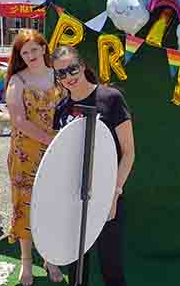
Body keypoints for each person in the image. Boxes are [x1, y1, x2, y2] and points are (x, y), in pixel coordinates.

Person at [52, 46, 135, 286]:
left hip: (107, 193)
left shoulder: (110, 99)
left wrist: (114, 193)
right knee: (76, 268)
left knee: (111, 265)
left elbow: (128, 152)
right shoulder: (62, 109)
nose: (68, 77)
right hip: (73, 198)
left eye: (72, 68)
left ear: (83, 66)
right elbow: (62, 158)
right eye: (61, 73)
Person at [4, 30, 63, 285]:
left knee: (53, 204)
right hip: (25, 153)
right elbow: (18, 120)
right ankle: (26, 262)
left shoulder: (59, 76)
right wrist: (51, 140)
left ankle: (51, 258)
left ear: (43, 48)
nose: (30, 56)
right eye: (24, 52)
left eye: (34, 50)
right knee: (24, 205)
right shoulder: (17, 80)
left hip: (58, 151)